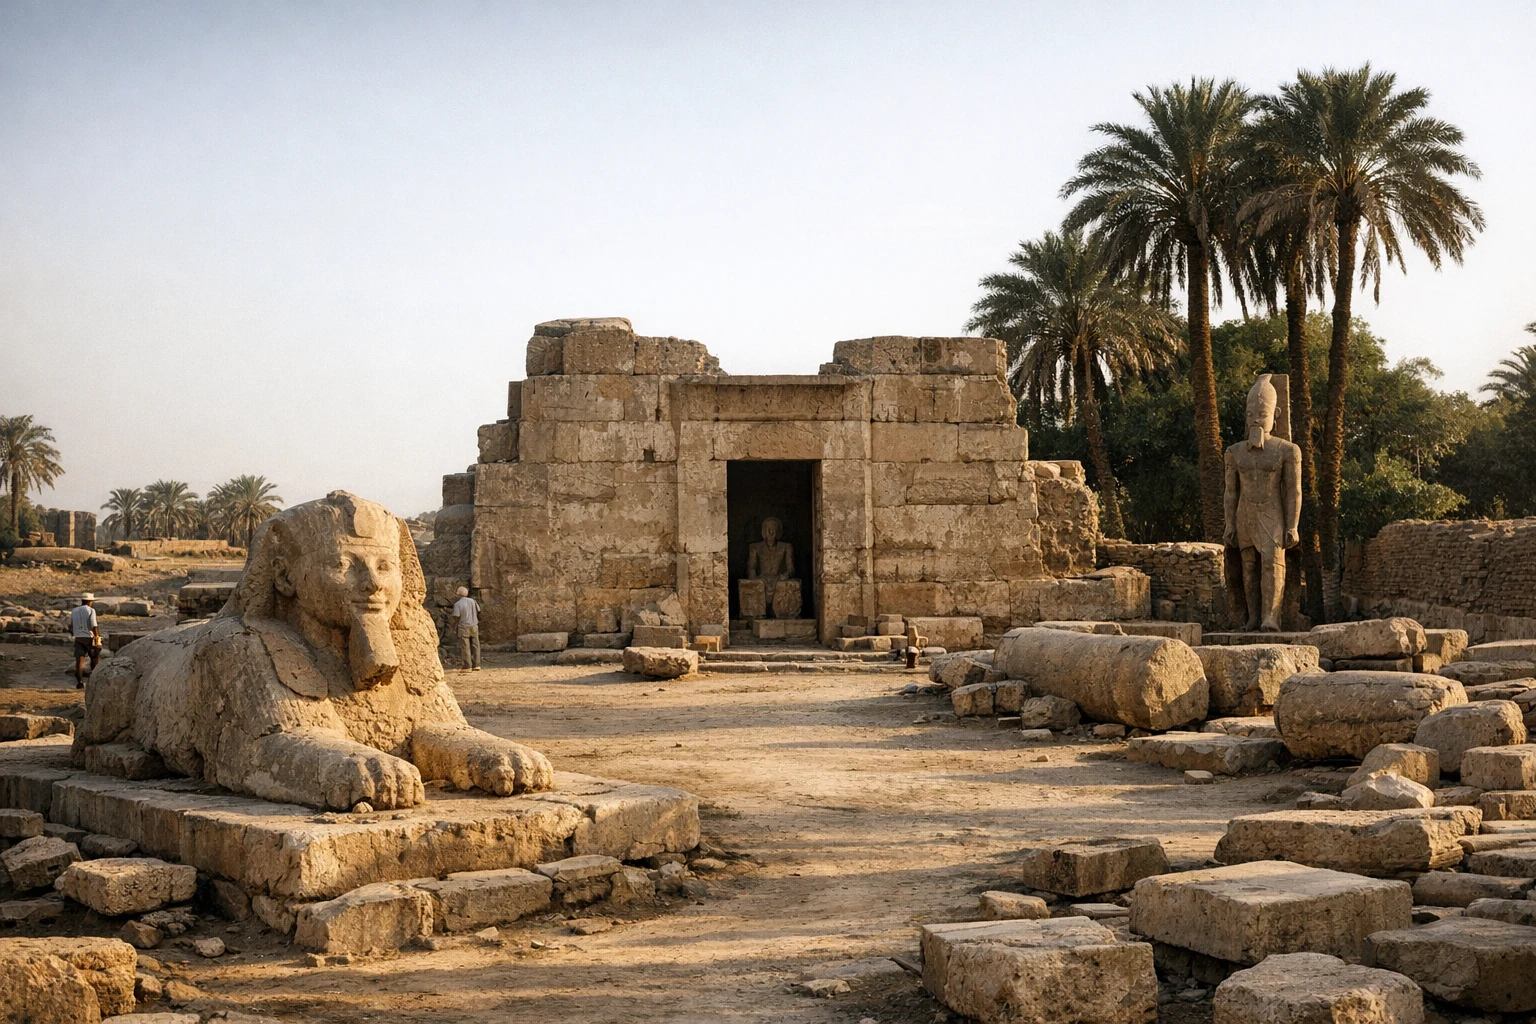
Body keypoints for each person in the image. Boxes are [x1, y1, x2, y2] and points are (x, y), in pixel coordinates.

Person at [71, 592, 102, 688]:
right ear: (89, 602)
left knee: (79, 659)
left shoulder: (74, 611)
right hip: (89, 637)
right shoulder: (91, 610)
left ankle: (79, 681)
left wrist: (74, 633)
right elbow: (94, 625)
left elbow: (70, 625)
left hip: (78, 637)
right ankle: (94, 677)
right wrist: (97, 637)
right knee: (94, 657)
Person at [450, 586, 482, 671]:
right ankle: (477, 665)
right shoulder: (473, 601)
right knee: (476, 645)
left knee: (465, 647)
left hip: (464, 627)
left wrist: (454, 626)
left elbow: (457, 616)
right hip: (474, 625)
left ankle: (467, 666)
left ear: (458, 594)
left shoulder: (458, 604)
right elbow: (478, 611)